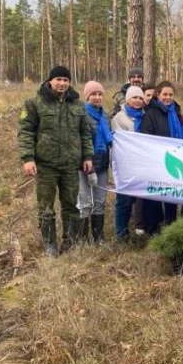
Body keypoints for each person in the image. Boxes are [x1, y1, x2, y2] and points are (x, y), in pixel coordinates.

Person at [18, 65, 93, 257]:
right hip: (46, 165)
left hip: (70, 165)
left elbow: (85, 132)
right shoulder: (34, 103)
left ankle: (70, 242)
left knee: (71, 206)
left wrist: (87, 156)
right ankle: (50, 245)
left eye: (66, 80)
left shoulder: (77, 105)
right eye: (58, 79)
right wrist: (28, 158)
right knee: (45, 206)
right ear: (50, 80)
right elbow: (26, 131)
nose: (62, 83)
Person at [138, 81, 183, 235]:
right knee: (155, 196)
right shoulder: (150, 113)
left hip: (174, 161)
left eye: (171, 94)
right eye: (165, 94)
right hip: (156, 160)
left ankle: (172, 226)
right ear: (158, 95)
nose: (168, 97)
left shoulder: (176, 112)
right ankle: (153, 229)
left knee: (172, 195)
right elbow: (146, 136)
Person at [77, 81, 112, 245]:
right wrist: (86, 162)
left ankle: (98, 237)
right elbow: (78, 142)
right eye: (93, 94)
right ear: (87, 96)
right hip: (85, 165)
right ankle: (83, 238)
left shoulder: (104, 116)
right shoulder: (81, 114)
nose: (97, 97)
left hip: (102, 165)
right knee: (84, 202)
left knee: (99, 202)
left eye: (100, 94)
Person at [111, 86, 146, 241]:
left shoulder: (145, 116)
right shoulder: (119, 117)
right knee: (124, 200)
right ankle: (121, 233)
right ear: (127, 100)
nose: (138, 101)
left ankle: (142, 228)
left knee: (141, 197)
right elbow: (119, 142)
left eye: (140, 98)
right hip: (125, 164)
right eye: (134, 98)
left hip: (143, 164)